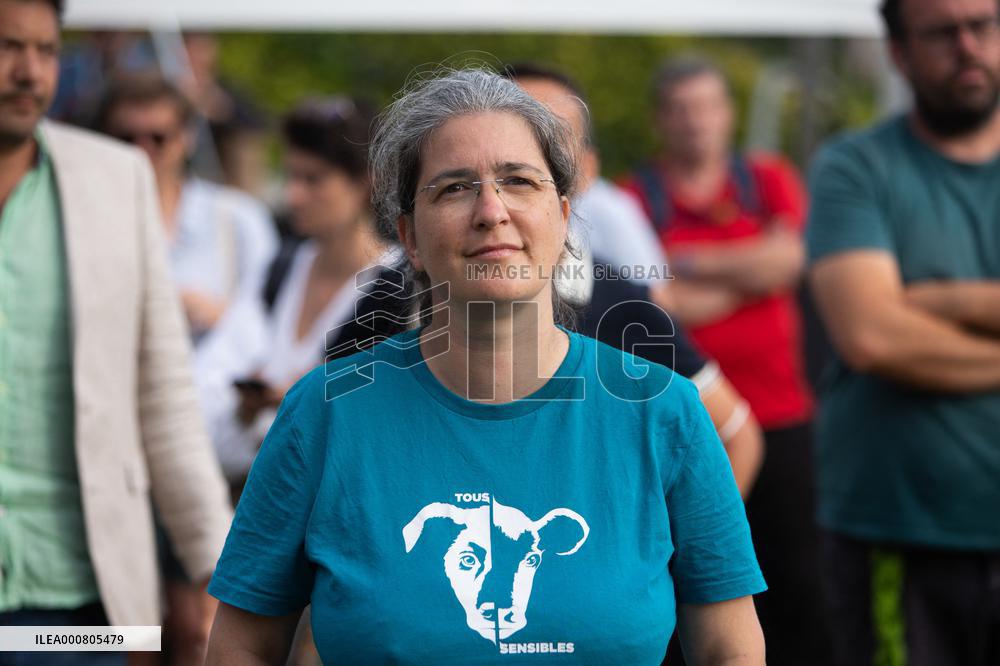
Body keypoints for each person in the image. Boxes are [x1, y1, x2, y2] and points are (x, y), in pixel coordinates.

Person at [204, 68, 766, 666]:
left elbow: (730, 649)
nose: (491, 210)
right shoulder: (325, 413)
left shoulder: (664, 413)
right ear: (409, 238)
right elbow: (241, 646)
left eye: (519, 181)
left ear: (564, 217)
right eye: (453, 188)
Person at [0, 1, 232, 664]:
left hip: (83, 600)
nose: (28, 72)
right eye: (8, 47)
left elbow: (163, 394)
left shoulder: (114, 178)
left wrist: (214, 561)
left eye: (45, 51)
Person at [806, 0, 1000, 664]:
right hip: (897, 530)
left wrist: (939, 299)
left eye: (984, 25)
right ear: (898, 53)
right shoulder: (854, 168)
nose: (968, 46)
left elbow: (893, 322)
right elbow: (871, 337)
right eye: (943, 32)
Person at [621, 56, 825, 666]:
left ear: (728, 114)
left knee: (799, 586)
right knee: (693, 579)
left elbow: (790, 262)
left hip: (782, 417)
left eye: (707, 106)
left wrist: (688, 259)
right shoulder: (637, 196)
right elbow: (656, 306)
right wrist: (749, 269)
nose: (696, 122)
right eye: (681, 109)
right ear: (660, 119)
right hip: (688, 425)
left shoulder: (766, 178)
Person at [507, 61, 763, 498]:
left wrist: (677, 555)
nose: (525, 156)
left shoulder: (620, 304)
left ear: (587, 170)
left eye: (551, 136)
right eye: (509, 128)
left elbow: (737, 435)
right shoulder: (404, 294)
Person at [194, 96, 389, 490]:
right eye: (291, 177)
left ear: (366, 182)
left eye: (313, 179)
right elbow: (205, 396)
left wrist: (305, 404)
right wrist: (248, 411)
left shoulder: (403, 293)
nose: (294, 195)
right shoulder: (278, 271)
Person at [94, 72, 278, 344]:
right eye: (127, 137)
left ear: (186, 138)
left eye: (158, 137)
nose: (142, 150)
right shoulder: (87, 221)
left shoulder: (239, 217)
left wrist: (219, 315)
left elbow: (276, 319)